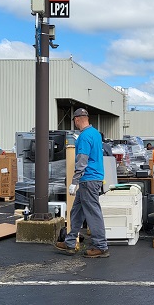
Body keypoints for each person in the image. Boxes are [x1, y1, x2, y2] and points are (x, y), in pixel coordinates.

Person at [55, 108, 109, 258]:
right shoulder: (95, 133)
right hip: (93, 177)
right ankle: (70, 242)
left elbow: (82, 160)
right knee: (76, 211)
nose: (75, 123)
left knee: (92, 213)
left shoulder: (84, 137)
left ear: (77, 119)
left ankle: (101, 246)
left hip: (88, 179)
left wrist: (74, 181)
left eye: (74, 121)